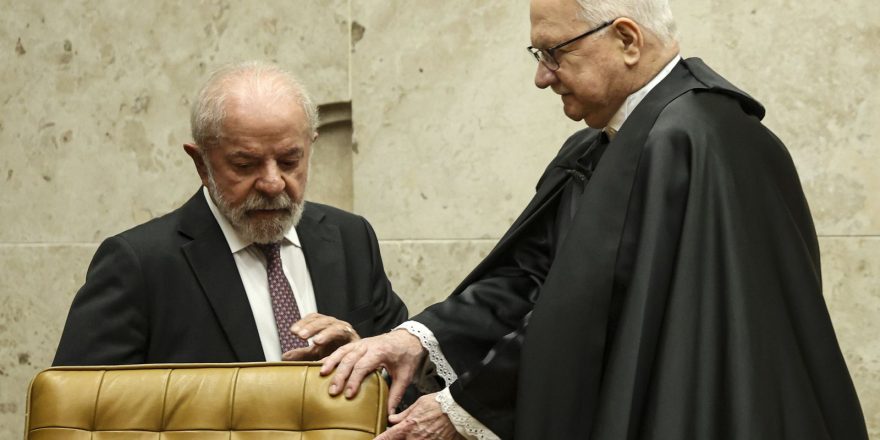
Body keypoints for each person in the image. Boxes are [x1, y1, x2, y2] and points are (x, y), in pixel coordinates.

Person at [321, 0, 869, 439]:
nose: (542, 77)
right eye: (536, 54)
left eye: (554, 53)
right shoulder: (606, 147)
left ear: (627, 39)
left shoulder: (681, 142)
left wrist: (462, 407)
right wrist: (418, 338)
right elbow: (534, 278)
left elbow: (586, 314)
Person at [54, 61, 408, 366]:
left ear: (310, 147)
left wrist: (365, 358)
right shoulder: (139, 265)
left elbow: (409, 381)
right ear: (201, 163)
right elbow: (79, 407)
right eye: (245, 164)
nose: (272, 183)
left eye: (289, 161)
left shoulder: (351, 238)